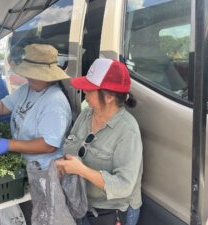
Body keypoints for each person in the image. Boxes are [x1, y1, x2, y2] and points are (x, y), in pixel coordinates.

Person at [0, 43, 73, 224]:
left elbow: (49, 145)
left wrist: (8, 144)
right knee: (35, 213)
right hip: (29, 165)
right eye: (28, 74)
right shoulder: (28, 89)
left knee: (50, 215)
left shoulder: (54, 102)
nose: (29, 78)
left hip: (46, 172)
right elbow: (2, 106)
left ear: (48, 77)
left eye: (34, 75)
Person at [56, 58, 143, 225]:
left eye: (89, 90)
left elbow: (124, 186)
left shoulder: (127, 131)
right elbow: (71, 146)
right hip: (83, 204)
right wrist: (62, 164)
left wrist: (81, 170)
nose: (84, 93)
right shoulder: (86, 114)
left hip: (112, 212)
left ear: (109, 97)